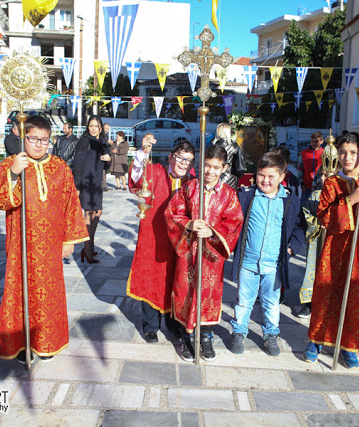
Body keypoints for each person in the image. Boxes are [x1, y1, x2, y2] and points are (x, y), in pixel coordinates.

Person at [0, 115, 88, 363]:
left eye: (44, 139)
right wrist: (13, 173)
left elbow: (71, 204)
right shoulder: (13, 163)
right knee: (21, 291)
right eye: (33, 139)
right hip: (21, 244)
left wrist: (69, 240)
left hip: (51, 245)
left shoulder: (60, 167)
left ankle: (47, 342)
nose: (40, 144)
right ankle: (23, 343)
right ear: (24, 137)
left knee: (48, 294)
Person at [302, 132, 359, 369]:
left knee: (356, 299)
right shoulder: (332, 183)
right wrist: (351, 200)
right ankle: (316, 340)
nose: (347, 157)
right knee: (327, 294)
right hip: (336, 251)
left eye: (353, 153)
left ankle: (349, 346)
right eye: (343, 152)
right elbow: (324, 217)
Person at [165, 145, 244, 361]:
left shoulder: (229, 194)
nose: (210, 171)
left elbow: (235, 220)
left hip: (211, 255)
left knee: (208, 295)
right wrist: (189, 224)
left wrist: (212, 231)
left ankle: (206, 336)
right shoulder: (189, 189)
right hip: (188, 252)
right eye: (207, 166)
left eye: (216, 167)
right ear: (201, 164)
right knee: (186, 292)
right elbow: (172, 213)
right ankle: (186, 337)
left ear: (224, 168)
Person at [229, 152, 306, 356]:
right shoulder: (246, 195)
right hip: (248, 261)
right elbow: (233, 221)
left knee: (271, 302)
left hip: (274, 263)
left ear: (282, 176)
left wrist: (291, 250)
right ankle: (239, 331)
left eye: (271, 176)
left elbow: (299, 227)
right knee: (244, 300)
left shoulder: (290, 200)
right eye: (261, 175)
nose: (265, 180)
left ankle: (271, 334)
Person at [127, 136, 195, 343]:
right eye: (179, 158)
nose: (183, 163)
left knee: (176, 281)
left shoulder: (192, 183)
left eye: (188, 160)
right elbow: (138, 176)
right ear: (170, 157)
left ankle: (173, 322)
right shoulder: (156, 172)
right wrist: (143, 152)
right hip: (154, 238)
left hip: (180, 242)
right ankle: (150, 325)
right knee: (151, 279)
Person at [71, 115, 111, 263]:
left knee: (97, 213)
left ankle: (89, 247)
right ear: (88, 127)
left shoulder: (103, 142)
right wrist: (78, 186)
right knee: (90, 215)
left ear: (100, 127)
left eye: (96, 126)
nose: (94, 129)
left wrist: (108, 160)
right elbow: (77, 164)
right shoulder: (84, 141)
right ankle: (87, 249)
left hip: (96, 183)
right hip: (86, 182)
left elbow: (106, 166)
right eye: (91, 126)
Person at [297, 169, 329, 319]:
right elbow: (306, 211)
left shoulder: (344, 195)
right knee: (313, 268)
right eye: (322, 175)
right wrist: (316, 224)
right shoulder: (316, 195)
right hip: (317, 237)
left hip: (334, 239)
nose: (324, 178)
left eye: (328, 175)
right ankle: (309, 303)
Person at [212, 122, 244, 189]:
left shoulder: (212, 146)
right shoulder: (235, 147)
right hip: (231, 178)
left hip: (214, 176)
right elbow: (240, 167)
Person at [298, 131, 325, 203]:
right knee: (303, 206)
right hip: (306, 185)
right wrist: (301, 182)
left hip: (319, 186)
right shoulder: (304, 153)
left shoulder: (325, 154)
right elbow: (300, 168)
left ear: (321, 141)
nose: (313, 143)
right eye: (312, 141)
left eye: (316, 141)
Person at [102, 123, 113, 191]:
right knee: (103, 171)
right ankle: (103, 185)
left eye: (108, 129)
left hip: (107, 155)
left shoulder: (106, 135)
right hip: (103, 155)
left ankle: (104, 184)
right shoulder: (102, 136)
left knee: (105, 171)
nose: (107, 130)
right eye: (106, 128)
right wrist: (107, 143)